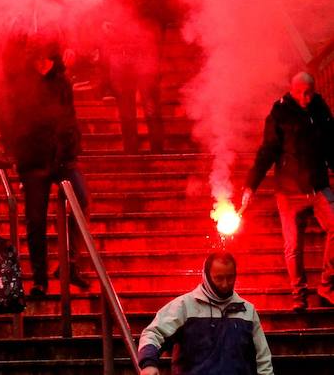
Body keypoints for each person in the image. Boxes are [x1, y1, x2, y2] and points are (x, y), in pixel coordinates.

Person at [2, 34, 91, 299]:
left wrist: (70, 146)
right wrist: (20, 156)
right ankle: (40, 278)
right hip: (34, 158)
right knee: (36, 220)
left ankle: (71, 263)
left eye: (47, 59)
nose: (42, 65)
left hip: (62, 156)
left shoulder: (62, 83)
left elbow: (68, 117)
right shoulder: (22, 85)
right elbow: (13, 121)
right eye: (38, 59)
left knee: (81, 200)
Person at [242, 71, 334, 310]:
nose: (305, 97)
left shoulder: (320, 110)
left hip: (317, 186)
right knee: (292, 246)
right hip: (289, 191)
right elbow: (267, 151)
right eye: (300, 93)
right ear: (292, 90)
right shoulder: (280, 113)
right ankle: (298, 294)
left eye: (309, 92)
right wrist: (250, 185)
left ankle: (327, 286)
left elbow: (331, 146)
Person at [137, 251, 274, 375]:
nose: (225, 284)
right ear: (206, 276)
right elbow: (153, 333)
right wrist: (148, 363)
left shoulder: (248, 311)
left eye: (230, 277)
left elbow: (263, 359)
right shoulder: (184, 306)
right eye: (219, 278)